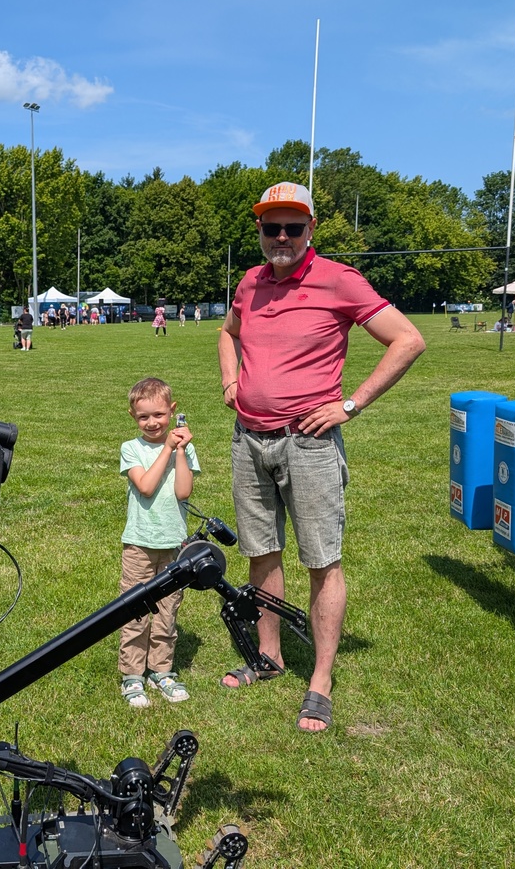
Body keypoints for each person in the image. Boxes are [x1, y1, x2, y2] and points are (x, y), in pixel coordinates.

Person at [217, 181, 425, 733]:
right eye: (270, 227)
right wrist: (231, 378)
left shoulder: (338, 279)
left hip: (308, 444)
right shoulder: (250, 282)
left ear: (311, 229)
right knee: (261, 554)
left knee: (321, 561)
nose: (281, 237)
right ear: (260, 231)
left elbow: (407, 340)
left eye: (293, 227)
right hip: (249, 439)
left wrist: (349, 405)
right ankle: (271, 657)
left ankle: (321, 681)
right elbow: (227, 332)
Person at [117, 377, 199, 708]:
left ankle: (161, 670)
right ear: (133, 416)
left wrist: (180, 450)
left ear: (173, 411)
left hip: (174, 544)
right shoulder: (131, 448)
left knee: (167, 610)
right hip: (139, 543)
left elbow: (183, 492)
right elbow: (147, 487)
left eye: (160, 415)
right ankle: (132, 675)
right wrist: (167, 447)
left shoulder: (184, 448)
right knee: (135, 609)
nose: (152, 423)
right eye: (144, 417)